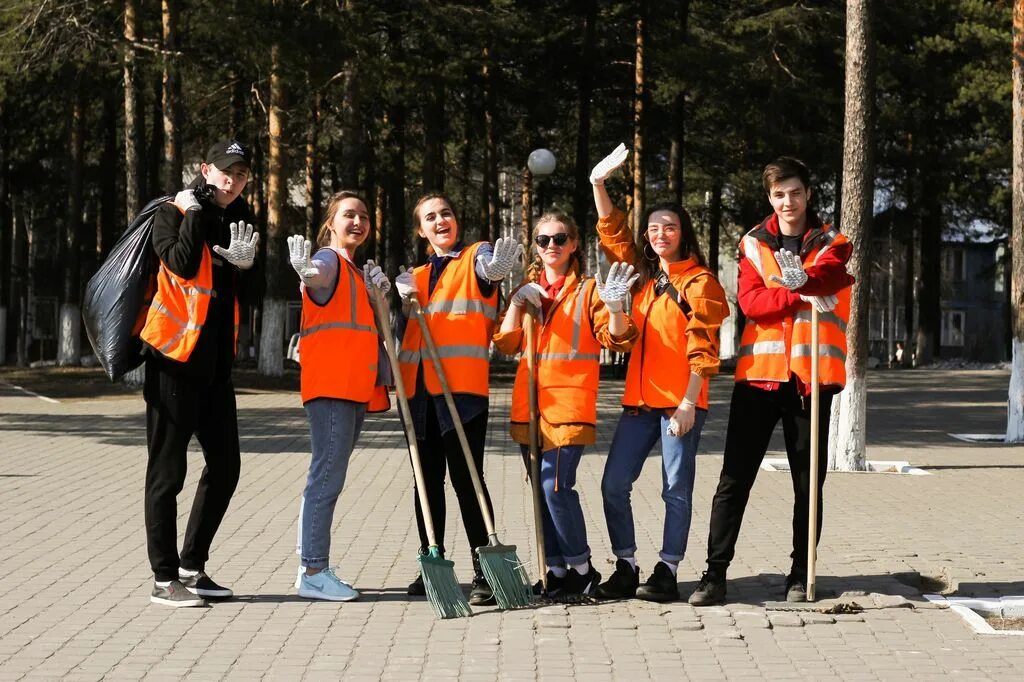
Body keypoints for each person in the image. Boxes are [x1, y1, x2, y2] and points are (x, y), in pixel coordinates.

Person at [688, 156, 855, 606]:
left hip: (810, 382)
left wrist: (808, 279)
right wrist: (798, 291)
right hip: (758, 380)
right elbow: (752, 303)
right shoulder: (752, 244)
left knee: (808, 483)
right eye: (779, 194)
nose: (788, 201)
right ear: (770, 198)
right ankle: (714, 574)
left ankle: (801, 574)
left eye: (795, 192)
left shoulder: (832, 240)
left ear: (808, 194)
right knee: (734, 479)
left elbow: (834, 274)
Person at [586, 144, 730, 602]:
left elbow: (704, 348)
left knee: (675, 490)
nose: (660, 233)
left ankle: (667, 570)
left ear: (683, 232)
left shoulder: (700, 282)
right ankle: (626, 565)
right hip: (639, 402)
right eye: (653, 228)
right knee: (613, 484)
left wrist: (689, 402)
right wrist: (597, 185)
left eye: (669, 226)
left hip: (679, 403)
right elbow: (612, 234)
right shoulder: (642, 278)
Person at [493, 212, 638, 598]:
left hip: (568, 407)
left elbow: (617, 340)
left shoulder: (588, 291)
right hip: (530, 407)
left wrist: (618, 307)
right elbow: (506, 344)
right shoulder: (527, 289)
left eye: (559, 238)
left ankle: (582, 568)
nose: (551, 246)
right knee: (541, 492)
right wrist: (516, 303)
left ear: (574, 244)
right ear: (535, 248)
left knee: (555, 487)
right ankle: (556, 571)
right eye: (543, 240)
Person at [141, 139, 260, 607]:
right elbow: (182, 263)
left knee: (226, 465)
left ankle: (192, 565)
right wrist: (192, 214)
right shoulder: (172, 210)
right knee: (167, 474)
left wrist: (244, 266)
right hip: (172, 360)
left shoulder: (238, 217)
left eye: (243, 174)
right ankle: (163, 578)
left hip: (215, 367)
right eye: (227, 172)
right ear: (205, 169)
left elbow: (232, 287)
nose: (233, 181)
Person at [394, 194, 521, 605]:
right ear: (421, 229)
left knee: (468, 479)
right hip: (418, 393)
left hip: (461, 390)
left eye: (445, 213)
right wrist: (391, 298)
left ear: (456, 220)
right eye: (430, 217)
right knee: (426, 483)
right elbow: (403, 333)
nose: (439, 221)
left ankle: (484, 569)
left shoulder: (475, 257)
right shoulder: (413, 275)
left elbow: (489, 271)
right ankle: (431, 560)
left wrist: (496, 271)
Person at [287, 191, 392, 601]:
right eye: (349, 215)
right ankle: (313, 571)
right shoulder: (330, 261)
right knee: (326, 477)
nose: (358, 222)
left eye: (364, 216)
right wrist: (305, 272)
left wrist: (379, 297)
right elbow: (314, 277)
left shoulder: (354, 272)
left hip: (352, 387)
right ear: (331, 222)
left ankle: (311, 567)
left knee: (329, 476)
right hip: (332, 387)